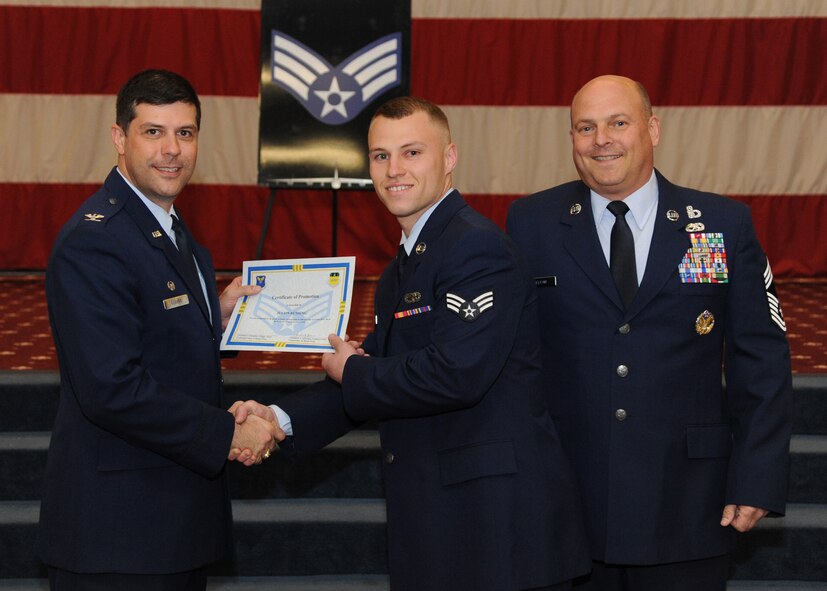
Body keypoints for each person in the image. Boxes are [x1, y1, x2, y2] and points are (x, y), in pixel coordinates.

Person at [233, 96, 591, 590]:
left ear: (449, 159)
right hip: (443, 519)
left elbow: (455, 374)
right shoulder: (406, 266)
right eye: (381, 156)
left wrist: (354, 372)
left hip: (496, 530)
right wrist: (278, 420)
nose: (394, 169)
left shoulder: (475, 247)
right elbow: (374, 370)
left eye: (412, 153)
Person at [505, 75, 793, 591]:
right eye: (585, 127)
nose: (601, 140)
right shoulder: (532, 223)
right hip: (567, 499)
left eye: (619, 122)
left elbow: (761, 360)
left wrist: (757, 476)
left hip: (686, 502)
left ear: (652, 129)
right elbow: (508, 353)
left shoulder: (721, 224)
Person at [39, 69, 283, 591]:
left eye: (185, 133)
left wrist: (212, 318)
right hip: (118, 537)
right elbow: (111, 388)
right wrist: (229, 432)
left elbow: (148, 330)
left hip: (169, 523)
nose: (171, 150)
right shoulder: (96, 241)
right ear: (119, 138)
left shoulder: (172, 230)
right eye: (153, 132)